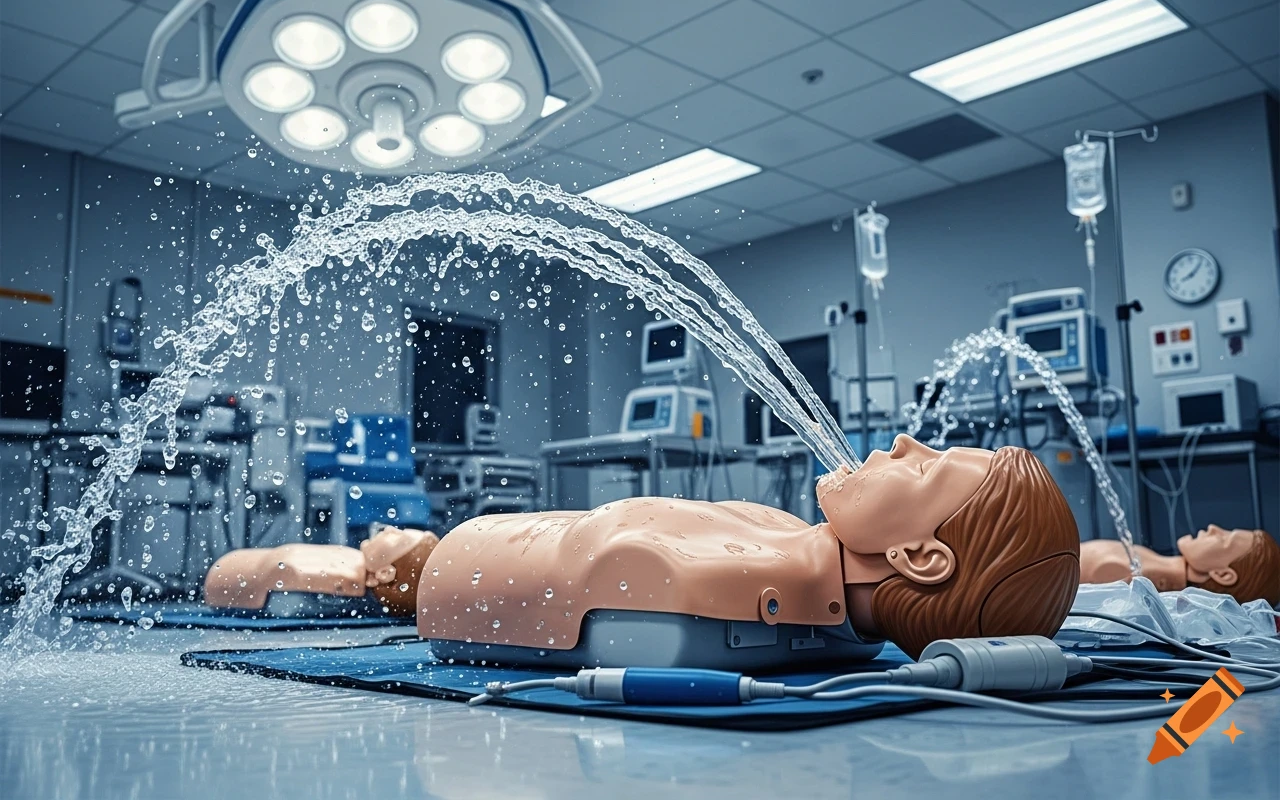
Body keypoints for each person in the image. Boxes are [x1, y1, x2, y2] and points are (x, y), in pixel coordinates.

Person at [205, 436, 1080, 659]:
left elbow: (617, 567)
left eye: (924, 468)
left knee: (284, 568)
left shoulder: (735, 579)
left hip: (467, 567)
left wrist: (402, 566)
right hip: (482, 556)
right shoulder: (795, 561)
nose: (898, 448)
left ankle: (380, 567)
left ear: (922, 561)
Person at [205, 527, 437, 617]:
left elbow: (281, 592)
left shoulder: (326, 577)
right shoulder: (352, 560)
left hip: (223, 576)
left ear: (385, 574)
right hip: (227, 569)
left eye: (399, 535)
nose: (390, 528)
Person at [1080, 525, 1280, 606]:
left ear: (1222, 574)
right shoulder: (1145, 564)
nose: (1213, 529)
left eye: (1224, 539)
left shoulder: (1135, 574)